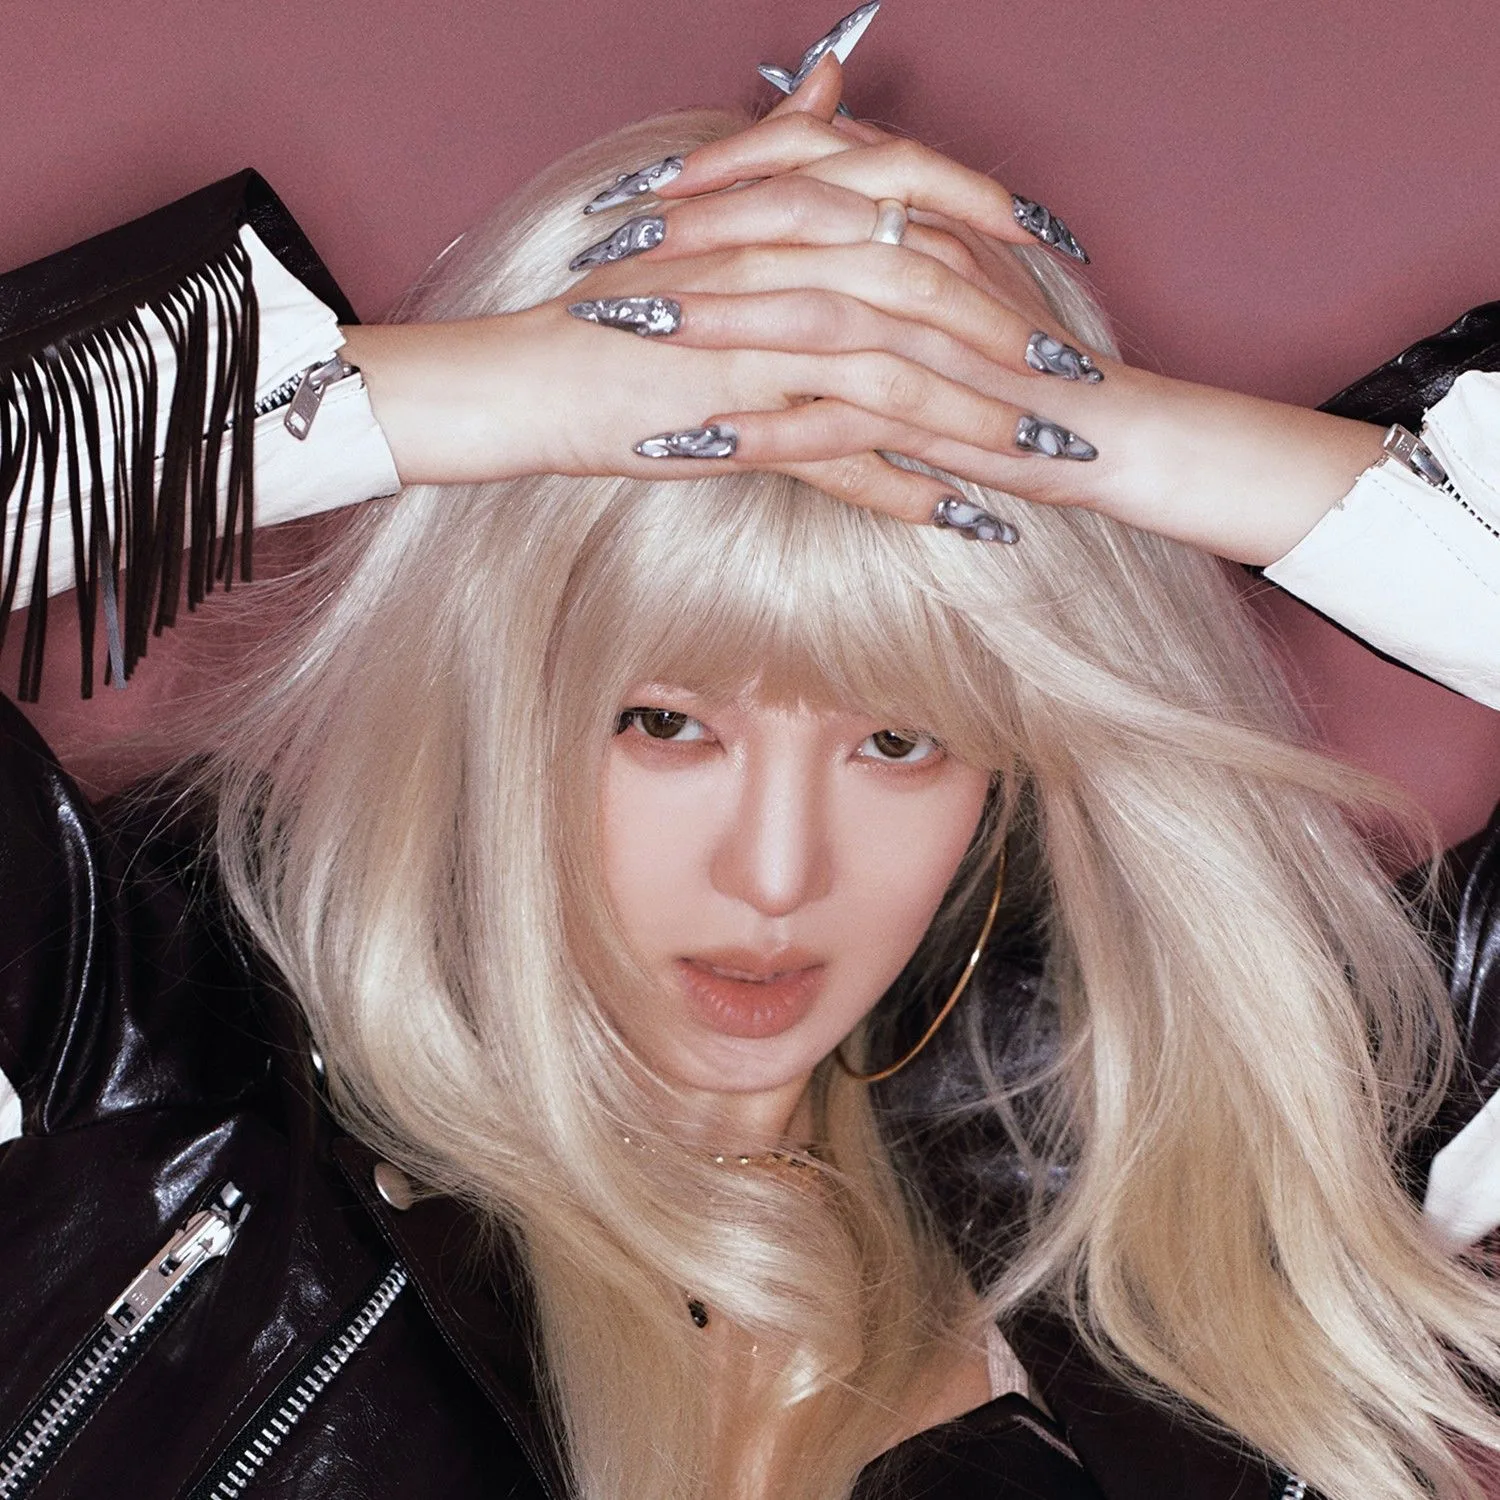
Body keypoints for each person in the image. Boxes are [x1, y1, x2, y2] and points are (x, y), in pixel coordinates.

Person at [1, 44, 1499, 1500]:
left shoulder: (1230, 1200)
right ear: (487, 686)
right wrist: (453, 406)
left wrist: (1091, 433)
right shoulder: (137, 1081)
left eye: (899, 742)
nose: (777, 874)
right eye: (665, 726)